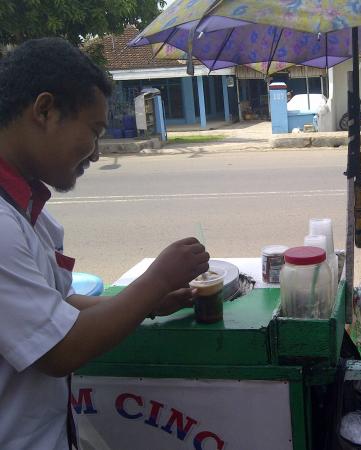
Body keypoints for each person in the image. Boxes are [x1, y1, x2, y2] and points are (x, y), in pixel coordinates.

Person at [0, 38, 210, 450]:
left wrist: (147, 302)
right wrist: (155, 279)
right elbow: (60, 349)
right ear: (45, 110)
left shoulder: (26, 210)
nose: (96, 153)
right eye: (94, 131)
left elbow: (55, 309)